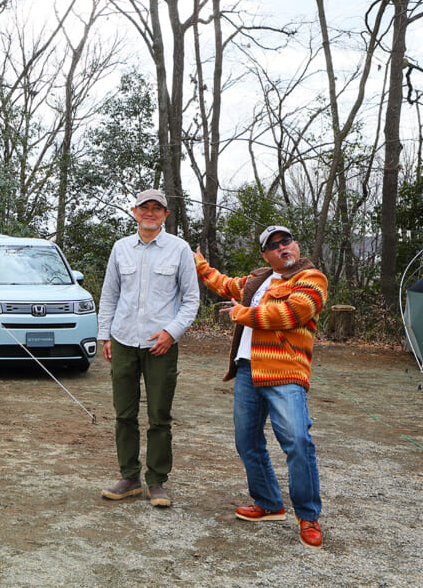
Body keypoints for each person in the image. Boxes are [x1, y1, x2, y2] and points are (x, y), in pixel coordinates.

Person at [193, 225, 328, 548]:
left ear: (296, 245)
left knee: (297, 441)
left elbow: (291, 312)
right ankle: (269, 503)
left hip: (285, 372)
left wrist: (243, 314)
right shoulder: (258, 280)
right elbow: (225, 285)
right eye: (274, 245)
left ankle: (308, 515)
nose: (283, 248)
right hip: (246, 370)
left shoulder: (311, 278)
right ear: (266, 254)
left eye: (287, 241)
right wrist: (199, 264)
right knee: (247, 441)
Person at [97, 189, 200, 507]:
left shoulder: (179, 250)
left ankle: (157, 481)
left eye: (158, 209)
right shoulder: (121, 249)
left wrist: (171, 332)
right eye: (145, 208)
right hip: (124, 340)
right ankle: (129, 477)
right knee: (124, 414)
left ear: (166, 215)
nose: (151, 213)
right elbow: (110, 295)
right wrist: (105, 335)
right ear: (134, 212)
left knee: (159, 416)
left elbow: (191, 300)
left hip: (161, 345)